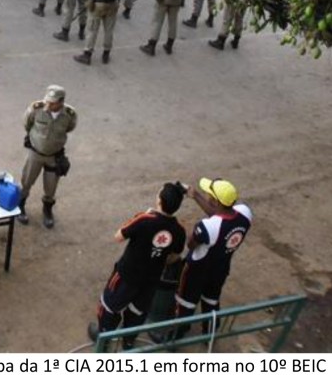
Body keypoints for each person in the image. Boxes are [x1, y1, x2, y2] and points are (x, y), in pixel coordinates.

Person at [88, 183, 187, 349]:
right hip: (151, 279)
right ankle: (128, 342)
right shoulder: (179, 230)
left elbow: (118, 236)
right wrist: (157, 254)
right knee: (137, 312)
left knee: (110, 306)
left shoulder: (144, 219)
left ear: (159, 201)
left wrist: (144, 216)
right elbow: (175, 255)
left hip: (127, 274)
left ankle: (103, 338)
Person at [168, 178, 253, 340]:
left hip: (197, 270)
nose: (207, 195)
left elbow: (191, 245)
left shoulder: (207, 226)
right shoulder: (245, 214)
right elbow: (222, 215)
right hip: (221, 268)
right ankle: (209, 334)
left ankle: (175, 336)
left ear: (214, 200)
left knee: (185, 302)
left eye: (208, 194)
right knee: (211, 300)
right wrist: (195, 195)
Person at [19, 85, 77, 229]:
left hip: (54, 156)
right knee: (26, 181)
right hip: (35, 153)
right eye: (47, 101)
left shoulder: (69, 114)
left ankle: (47, 210)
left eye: (53, 103)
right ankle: (20, 207)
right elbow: (27, 123)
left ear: (61, 102)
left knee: (51, 187)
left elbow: (69, 128)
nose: (48, 105)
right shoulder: (36, 109)